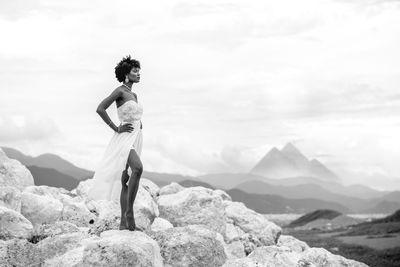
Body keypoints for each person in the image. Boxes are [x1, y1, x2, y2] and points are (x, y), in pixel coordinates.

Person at [87, 55, 144, 231]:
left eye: (138, 70)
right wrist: (115, 128)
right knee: (138, 168)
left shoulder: (133, 94)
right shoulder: (120, 91)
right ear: (126, 74)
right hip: (124, 138)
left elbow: (133, 116)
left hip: (136, 135)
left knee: (126, 178)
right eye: (135, 71)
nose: (138, 73)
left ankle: (122, 223)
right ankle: (129, 213)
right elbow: (100, 108)